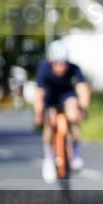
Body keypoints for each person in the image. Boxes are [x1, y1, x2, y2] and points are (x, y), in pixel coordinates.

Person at [34, 40, 91, 181]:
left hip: (66, 95)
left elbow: (82, 88)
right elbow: (39, 94)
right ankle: (48, 158)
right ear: (52, 62)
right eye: (58, 63)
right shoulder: (43, 69)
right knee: (49, 124)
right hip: (50, 97)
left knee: (73, 116)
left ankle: (75, 154)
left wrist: (83, 108)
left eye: (64, 63)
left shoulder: (74, 68)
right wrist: (39, 113)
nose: (62, 67)